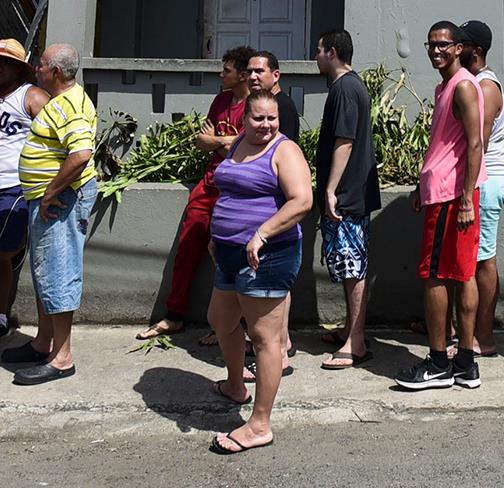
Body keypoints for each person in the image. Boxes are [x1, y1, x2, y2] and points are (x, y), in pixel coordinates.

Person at [206, 91, 313, 455]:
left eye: (272, 119)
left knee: (265, 338)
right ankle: (236, 384)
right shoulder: (238, 143)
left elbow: (302, 200)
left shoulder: (285, 151)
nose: (266, 126)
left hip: (267, 255)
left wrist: (261, 234)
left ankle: (259, 424)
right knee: (220, 319)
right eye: (258, 119)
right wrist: (216, 234)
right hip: (230, 253)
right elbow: (229, 192)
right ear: (244, 119)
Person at [138, 44, 253, 342]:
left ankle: (231, 326)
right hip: (208, 184)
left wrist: (219, 140)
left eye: (226, 70)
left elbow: (243, 145)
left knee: (229, 257)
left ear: (242, 74)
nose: (220, 74)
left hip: (235, 188)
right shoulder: (220, 101)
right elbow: (203, 140)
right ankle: (174, 315)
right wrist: (222, 140)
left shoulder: (255, 106)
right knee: (188, 246)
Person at [396, 22, 485, 391]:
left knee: (436, 277)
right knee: (460, 275)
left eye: (443, 45)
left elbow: (475, 144)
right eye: (431, 44)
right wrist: (422, 183)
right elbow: (444, 145)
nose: (436, 50)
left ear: (459, 47)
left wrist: (465, 198)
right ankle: (464, 363)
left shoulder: (463, 85)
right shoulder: (445, 86)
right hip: (443, 191)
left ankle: (437, 362)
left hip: (453, 196)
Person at [4, 44, 100, 385]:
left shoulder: (69, 106)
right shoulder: (60, 101)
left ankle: (62, 357)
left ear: (55, 72)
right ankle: (44, 342)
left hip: (61, 201)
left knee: (59, 272)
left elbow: (81, 154)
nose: (36, 68)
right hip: (52, 200)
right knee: (46, 272)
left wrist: (50, 192)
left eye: (41, 64)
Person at [0, 39, 48, 351]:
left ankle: (17, 248)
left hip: (14, 186)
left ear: (19, 68)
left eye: (5, 61)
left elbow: (56, 133)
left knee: (2, 251)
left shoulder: (30, 96)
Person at [315, 29, 381, 370]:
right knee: (349, 266)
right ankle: (349, 329)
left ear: (333, 52)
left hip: (347, 196)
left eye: (319, 50)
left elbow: (345, 141)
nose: (316, 57)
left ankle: (355, 342)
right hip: (350, 193)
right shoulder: (349, 87)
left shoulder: (344, 89)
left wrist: (330, 189)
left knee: (354, 269)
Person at [461, 20, 504, 357]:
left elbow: (478, 139)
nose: (452, 50)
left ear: (475, 51)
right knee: (473, 259)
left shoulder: (487, 87)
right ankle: (463, 328)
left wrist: (466, 191)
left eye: (460, 44)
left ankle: (485, 337)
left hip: (487, 180)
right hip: (478, 180)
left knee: (483, 261)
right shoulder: (473, 83)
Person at [245, 51, 303, 139]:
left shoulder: (282, 105)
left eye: (259, 71)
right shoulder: (260, 102)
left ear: (275, 75)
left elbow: (284, 146)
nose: (252, 77)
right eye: (249, 72)